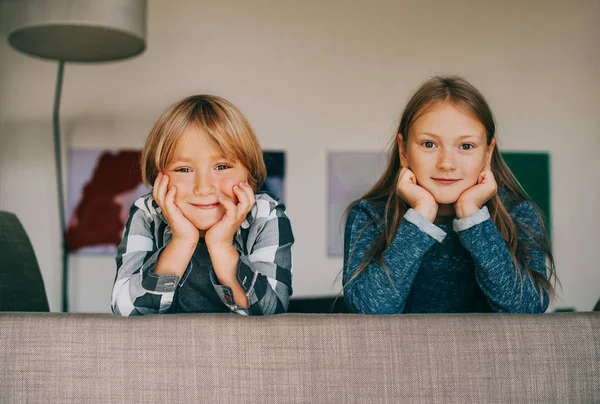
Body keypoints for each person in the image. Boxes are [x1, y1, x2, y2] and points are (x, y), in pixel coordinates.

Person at [343, 76, 555, 314]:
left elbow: (527, 310)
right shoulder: (370, 215)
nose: (446, 163)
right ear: (403, 150)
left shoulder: (519, 215)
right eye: (429, 144)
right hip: (400, 352)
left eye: (466, 146)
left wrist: (473, 218)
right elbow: (368, 310)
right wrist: (420, 218)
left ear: (488, 153)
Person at [111, 95, 294, 316]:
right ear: (159, 178)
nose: (204, 188)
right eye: (184, 170)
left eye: (222, 166)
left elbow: (271, 314)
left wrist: (221, 246)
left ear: (249, 171)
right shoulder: (148, 214)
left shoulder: (265, 215)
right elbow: (124, 311)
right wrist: (181, 241)